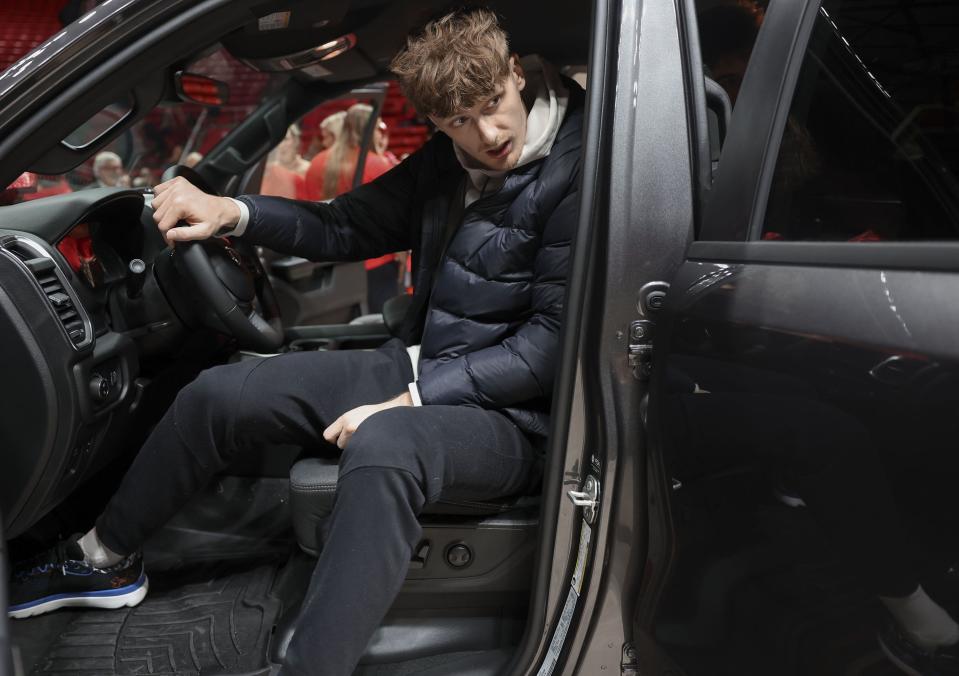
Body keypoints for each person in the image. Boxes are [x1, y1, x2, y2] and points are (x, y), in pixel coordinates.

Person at [8, 8, 583, 676]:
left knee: (384, 445)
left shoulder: (575, 169)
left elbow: (548, 345)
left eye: (492, 106)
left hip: (518, 414)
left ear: (517, 74)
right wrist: (233, 212)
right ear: (434, 120)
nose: (485, 134)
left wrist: (414, 398)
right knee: (220, 395)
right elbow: (345, 226)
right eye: (458, 120)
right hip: (433, 361)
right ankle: (103, 559)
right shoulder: (452, 161)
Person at [303, 103, 393, 200]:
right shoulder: (378, 164)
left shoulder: (317, 160)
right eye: (377, 129)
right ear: (369, 130)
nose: (380, 135)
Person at [261, 124, 310, 199]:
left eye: (285, 139)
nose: (280, 145)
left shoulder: (309, 169)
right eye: (277, 141)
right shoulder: (268, 172)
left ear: (295, 141)